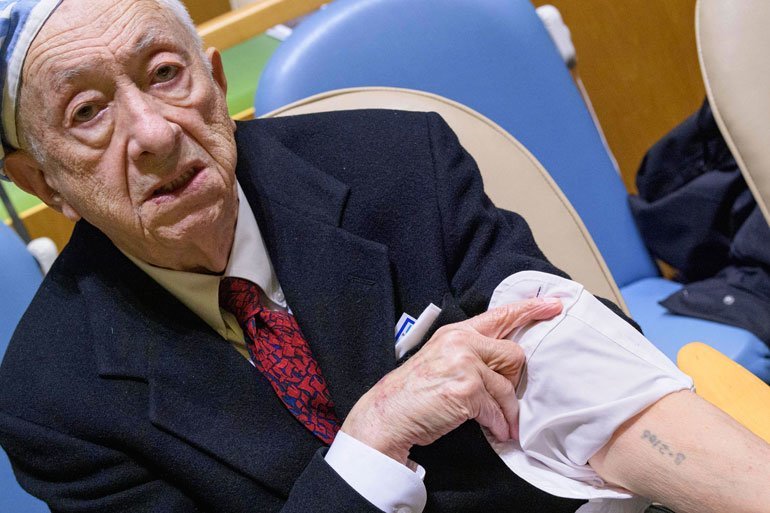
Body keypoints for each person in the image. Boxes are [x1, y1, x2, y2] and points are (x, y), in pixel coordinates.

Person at [0, 1, 767, 512]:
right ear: (41, 180)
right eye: (88, 112)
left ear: (216, 78)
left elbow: (566, 352)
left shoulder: (398, 162)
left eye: (165, 74)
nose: (156, 132)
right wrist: (369, 442)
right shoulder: (54, 401)